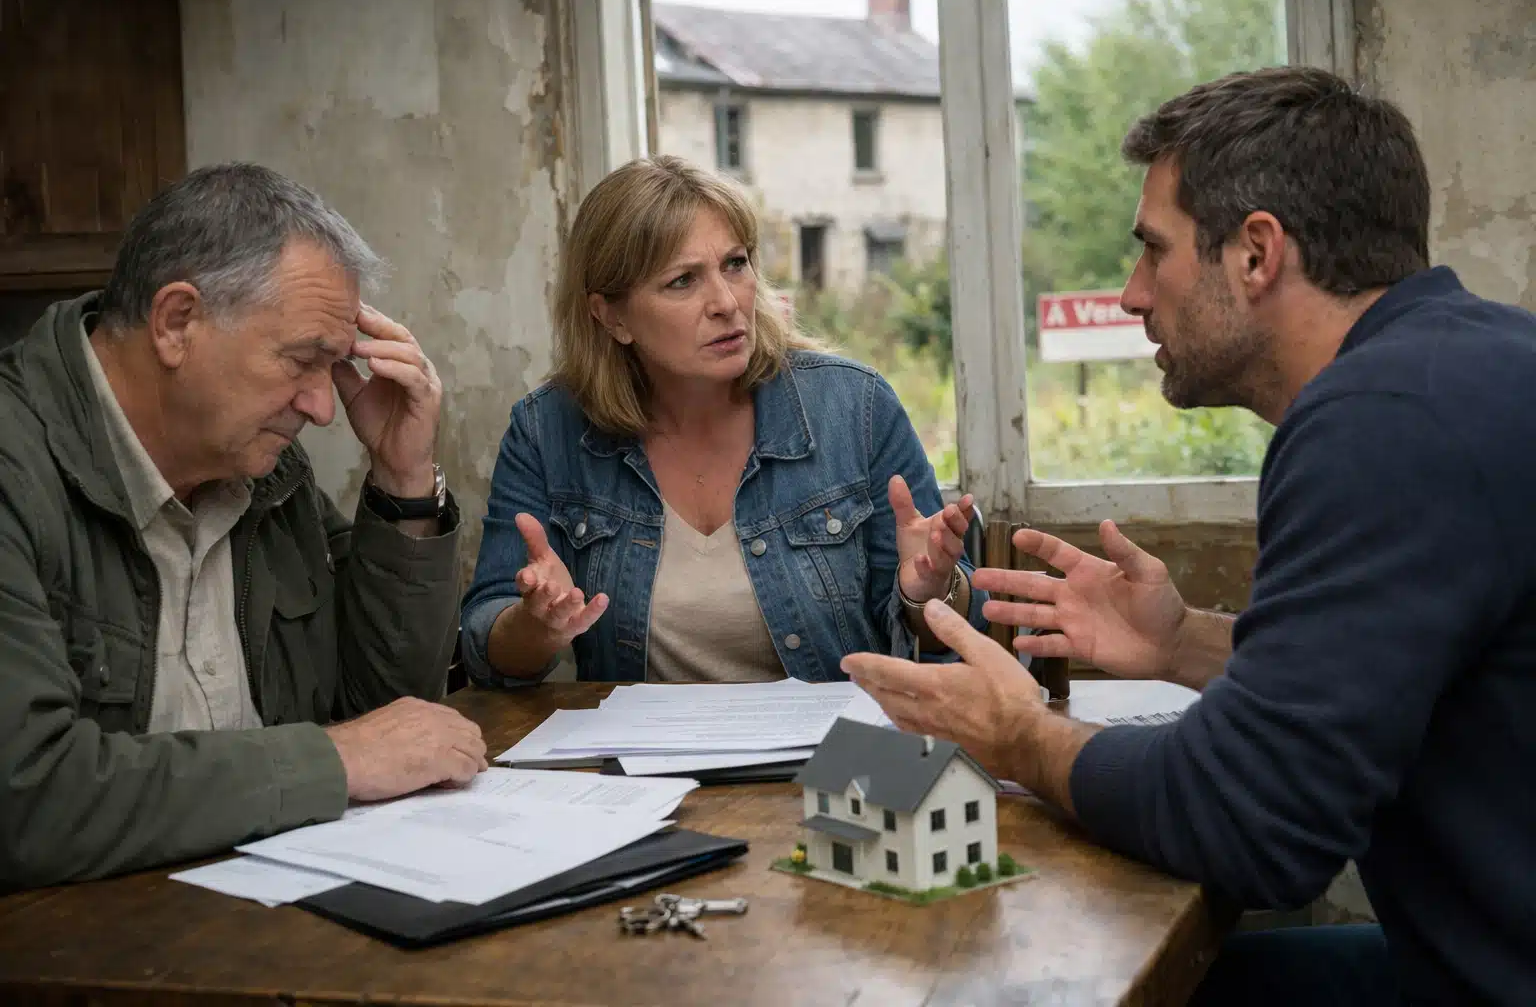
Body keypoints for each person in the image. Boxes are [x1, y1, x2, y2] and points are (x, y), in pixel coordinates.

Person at [841, 66, 1536, 1005]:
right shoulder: (1470, 365)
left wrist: (1021, 735)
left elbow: (1253, 824)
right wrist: (1184, 643)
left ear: (1256, 253)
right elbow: (1395, 677)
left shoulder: (1380, 422)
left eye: (1152, 251)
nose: (1131, 295)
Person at [0, 163, 486, 891]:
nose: (324, 409)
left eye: (335, 366)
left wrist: (404, 481)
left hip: (267, 915)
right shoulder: (18, 466)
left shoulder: (265, 473)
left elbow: (388, 719)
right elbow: (28, 798)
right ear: (176, 322)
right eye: (302, 361)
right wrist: (333, 762)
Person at [462, 156, 987, 685]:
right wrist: (537, 627)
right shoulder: (546, 429)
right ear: (610, 316)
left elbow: (955, 644)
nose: (726, 303)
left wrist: (929, 593)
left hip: (831, 757)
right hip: (645, 764)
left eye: (735, 264)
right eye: (682, 281)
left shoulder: (854, 406)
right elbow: (487, 647)